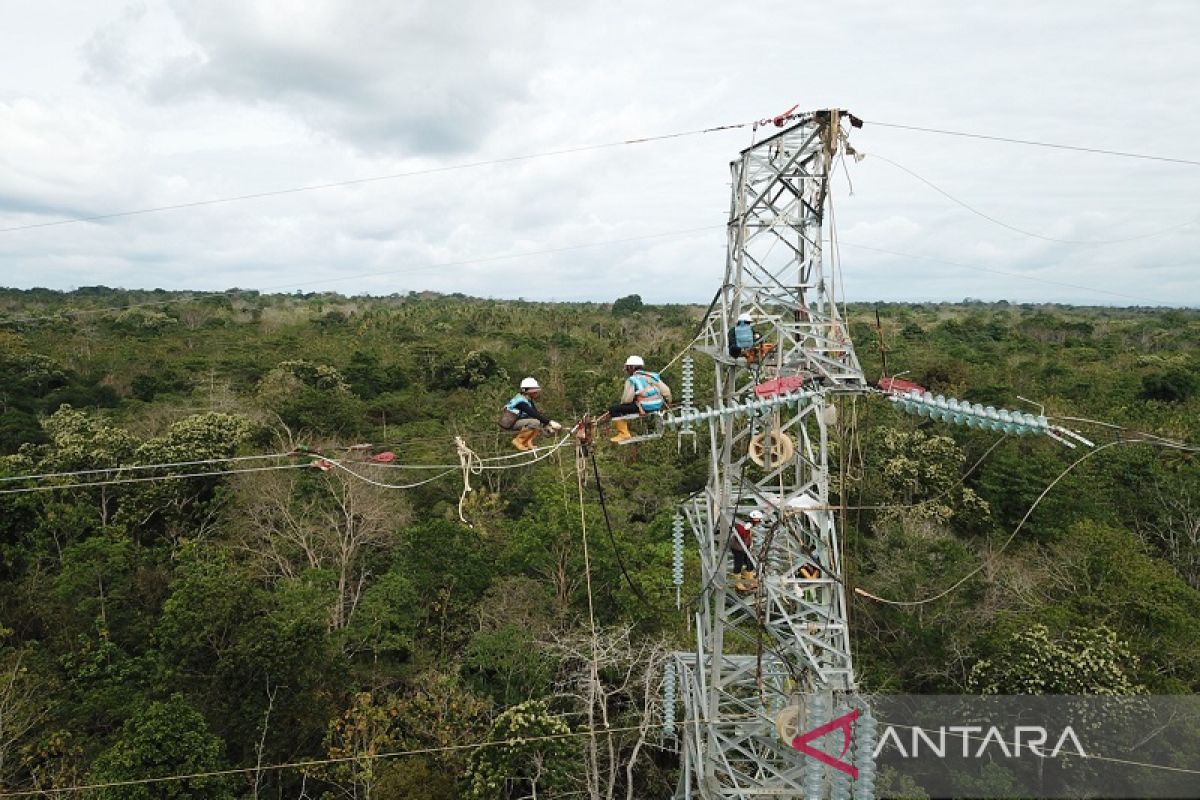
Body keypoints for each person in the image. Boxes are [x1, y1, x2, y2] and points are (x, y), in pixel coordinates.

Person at [608, 355, 672, 443]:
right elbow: (666, 391)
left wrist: (624, 405)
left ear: (631, 368)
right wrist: (668, 403)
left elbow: (627, 400)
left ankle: (624, 434)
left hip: (644, 407)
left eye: (627, 368)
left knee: (614, 409)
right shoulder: (653, 376)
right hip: (658, 405)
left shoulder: (632, 380)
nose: (627, 371)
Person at [502, 377, 561, 451]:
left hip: (517, 420)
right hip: (510, 423)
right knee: (535, 422)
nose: (536, 393)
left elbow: (536, 413)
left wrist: (547, 425)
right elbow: (533, 414)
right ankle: (518, 441)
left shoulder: (528, 400)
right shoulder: (521, 402)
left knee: (537, 422)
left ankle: (528, 442)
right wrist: (550, 422)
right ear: (527, 391)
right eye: (534, 391)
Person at [732, 509, 763, 591]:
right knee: (738, 564)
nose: (759, 521)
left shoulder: (749, 524)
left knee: (750, 563)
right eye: (758, 519)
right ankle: (738, 582)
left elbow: (748, 535)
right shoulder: (743, 525)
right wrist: (747, 530)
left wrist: (750, 543)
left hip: (746, 546)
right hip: (738, 548)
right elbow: (742, 534)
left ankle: (749, 579)